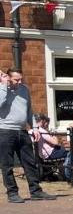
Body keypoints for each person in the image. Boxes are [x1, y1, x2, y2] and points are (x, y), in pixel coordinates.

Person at [0, 69, 56, 202]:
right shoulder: (2, 89)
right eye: (16, 80)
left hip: (22, 131)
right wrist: (3, 86)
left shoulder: (24, 90)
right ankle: (12, 193)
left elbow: (29, 110)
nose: (19, 82)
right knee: (7, 165)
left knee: (30, 162)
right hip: (5, 131)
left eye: (21, 79)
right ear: (8, 78)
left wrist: (35, 128)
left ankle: (36, 191)